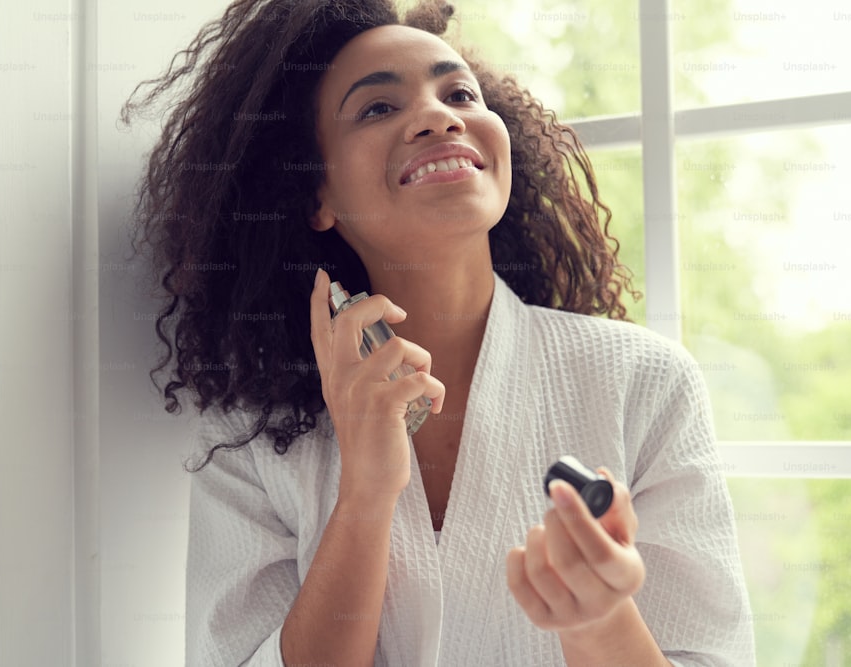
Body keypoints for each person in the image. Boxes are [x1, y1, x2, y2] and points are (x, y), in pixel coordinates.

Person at [122, 0, 755, 664]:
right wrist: (365, 490)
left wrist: (597, 619)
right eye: (377, 108)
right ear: (317, 196)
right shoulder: (251, 432)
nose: (438, 115)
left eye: (458, 92)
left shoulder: (644, 382)